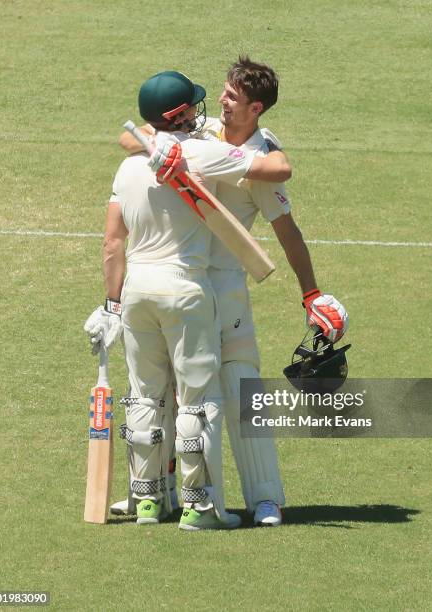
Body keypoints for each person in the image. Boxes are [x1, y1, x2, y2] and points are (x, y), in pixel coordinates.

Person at [114, 58, 348, 526]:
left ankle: (265, 499)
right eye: (221, 92)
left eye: (232, 97)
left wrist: (312, 293)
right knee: (167, 392)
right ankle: (157, 495)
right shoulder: (201, 135)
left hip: (226, 285)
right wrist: (159, 151)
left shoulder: (261, 155)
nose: (221, 102)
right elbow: (131, 135)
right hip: (184, 279)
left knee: (242, 391)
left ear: (255, 107)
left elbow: (287, 221)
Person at [84, 70, 293, 530]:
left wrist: (110, 306)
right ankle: (201, 508)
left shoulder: (128, 166)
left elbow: (111, 245)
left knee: (146, 397)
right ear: (180, 114)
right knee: (199, 402)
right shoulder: (202, 151)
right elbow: (279, 169)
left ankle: (149, 503)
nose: (208, 107)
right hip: (187, 288)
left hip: (137, 292)